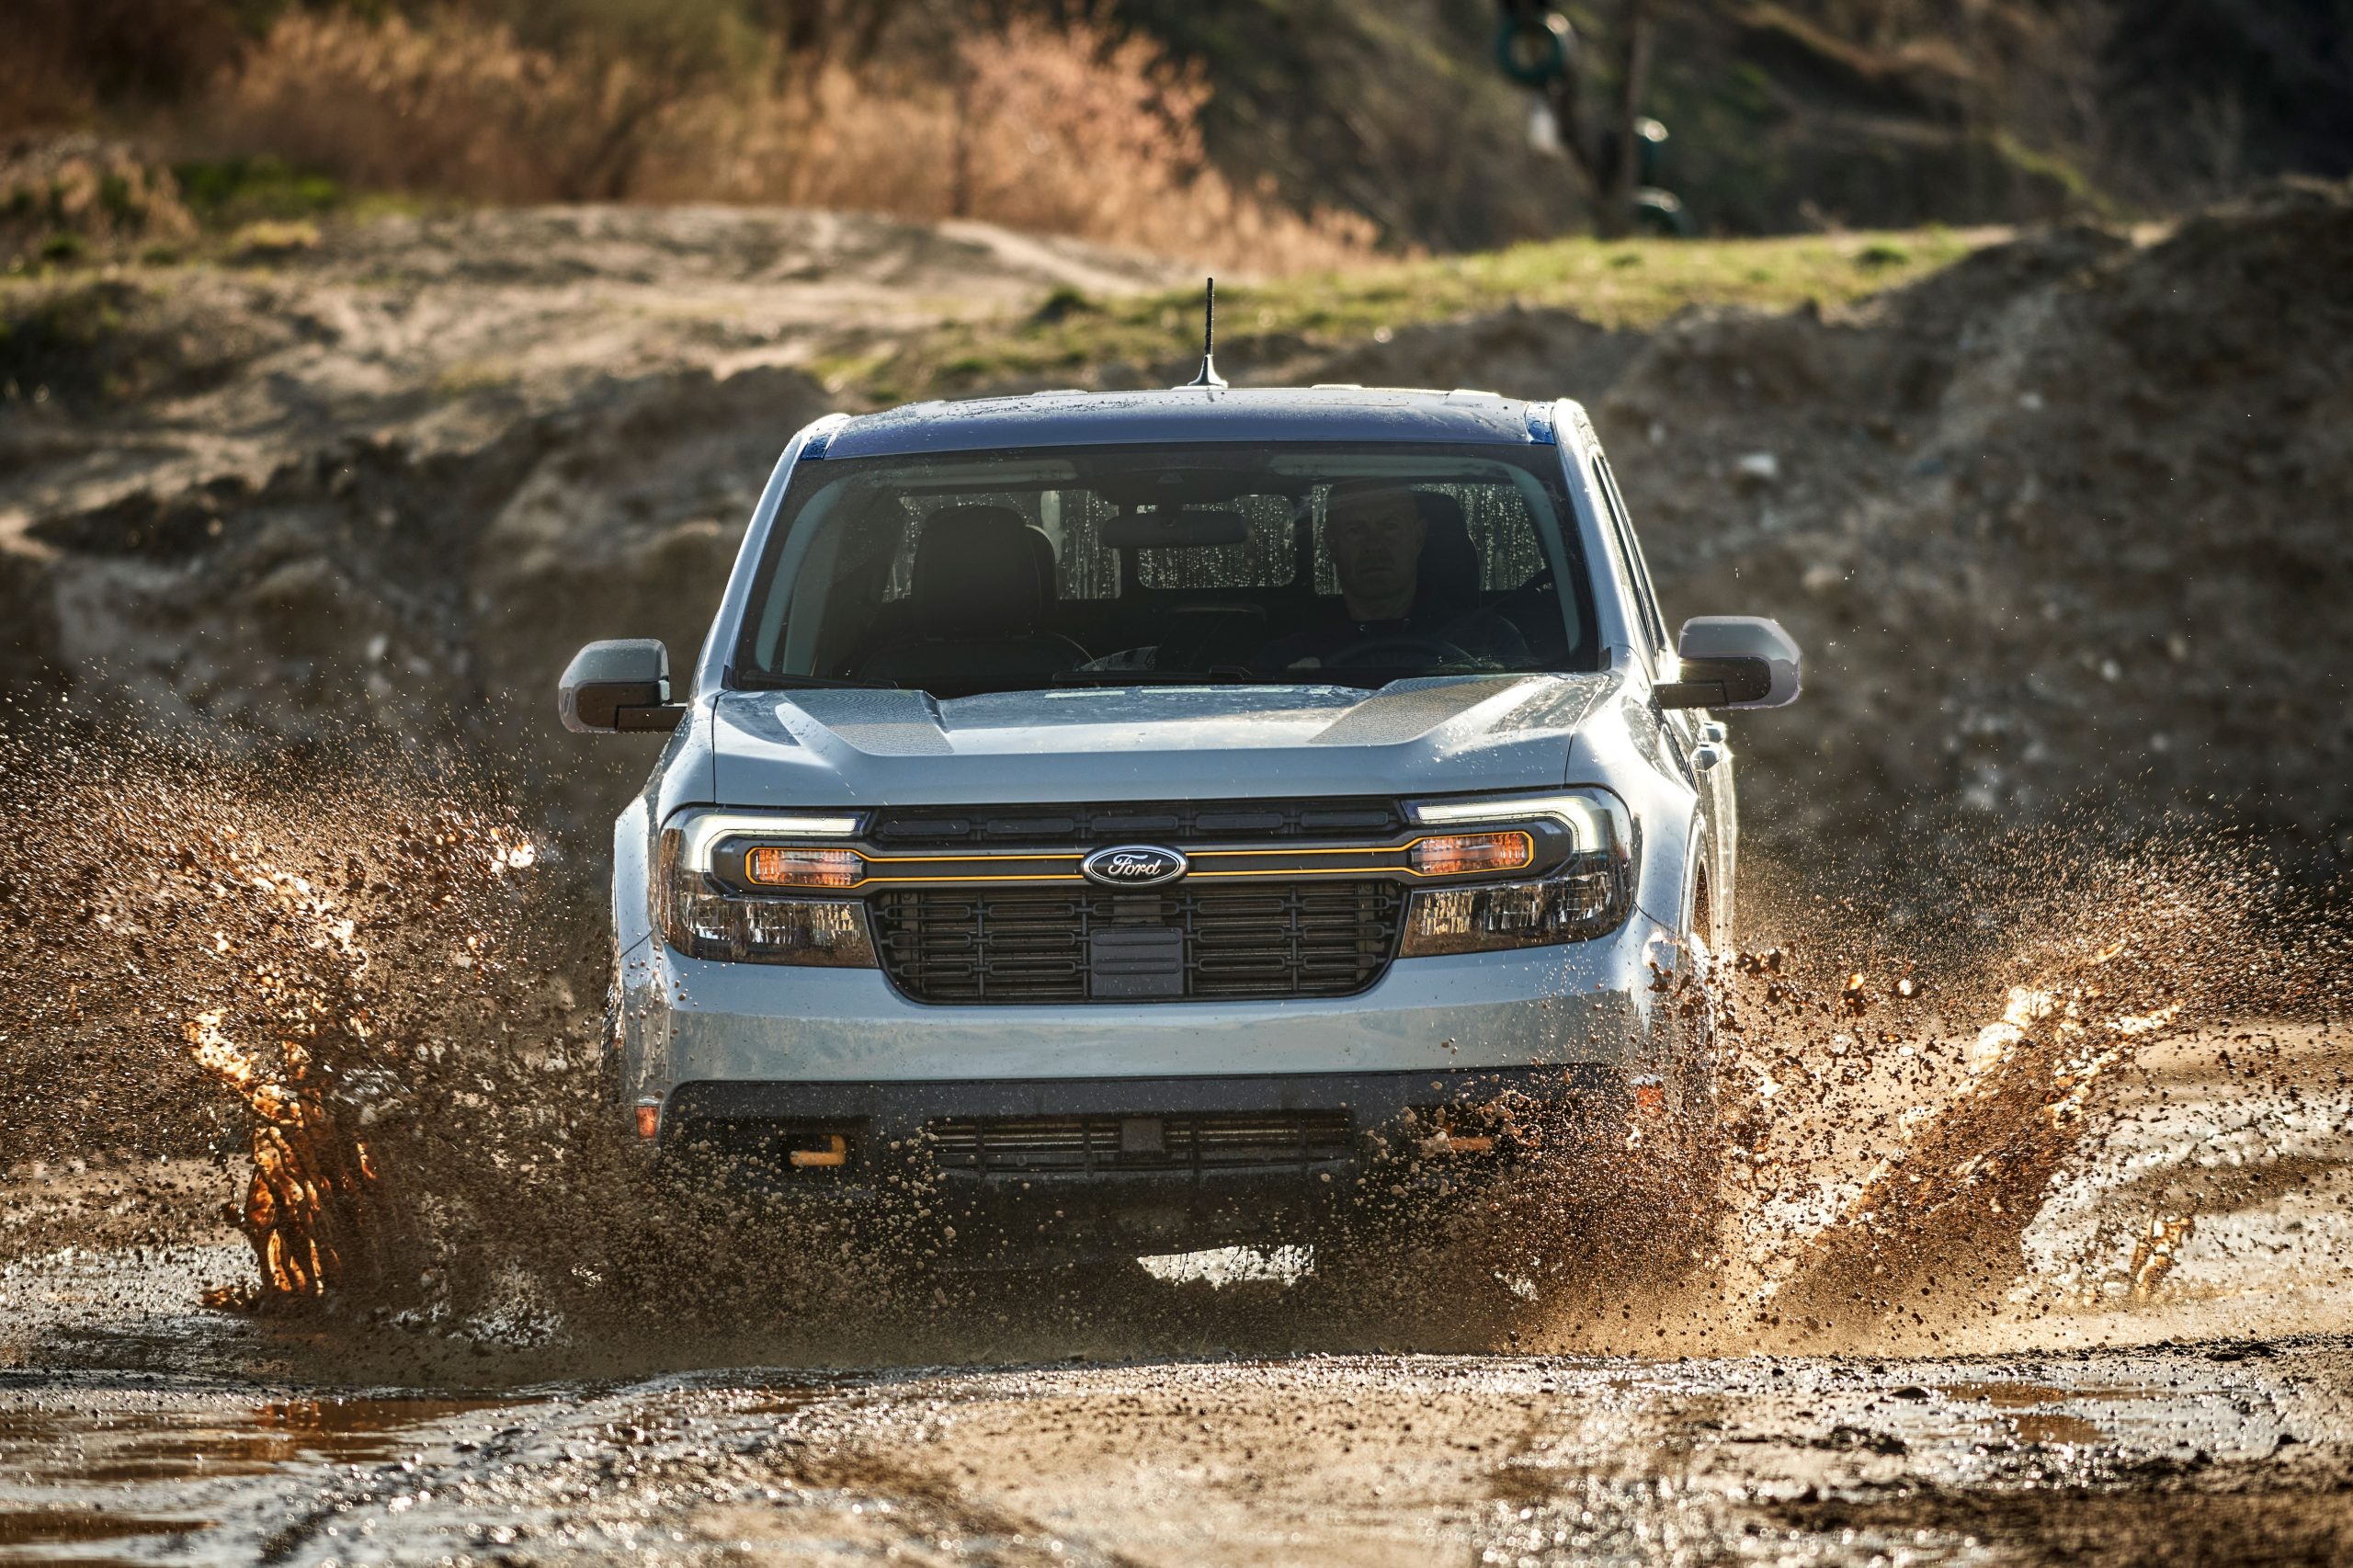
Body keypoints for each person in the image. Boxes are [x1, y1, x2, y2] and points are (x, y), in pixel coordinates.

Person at [1256, 482, 1531, 673]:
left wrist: (1487, 682)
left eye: (1390, 526)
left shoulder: (1490, 644)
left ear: (1418, 537)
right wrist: (1297, 694)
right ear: (1332, 542)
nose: (1374, 544)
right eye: (1355, 529)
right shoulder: (1287, 658)